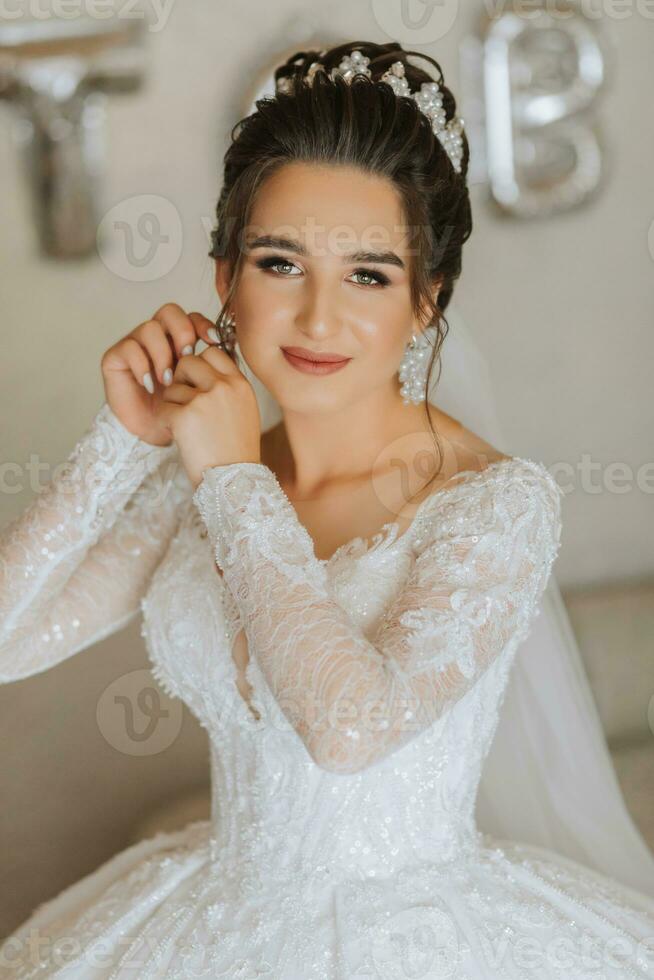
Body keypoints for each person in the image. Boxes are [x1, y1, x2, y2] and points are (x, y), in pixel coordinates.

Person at [1, 39, 653, 980]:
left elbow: (349, 730)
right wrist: (125, 441)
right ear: (224, 278)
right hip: (205, 919)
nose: (316, 318)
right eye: (279, 263)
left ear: (427, 300)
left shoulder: (491, 506)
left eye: (369, 274)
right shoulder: (200, 459)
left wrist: (231, 485)